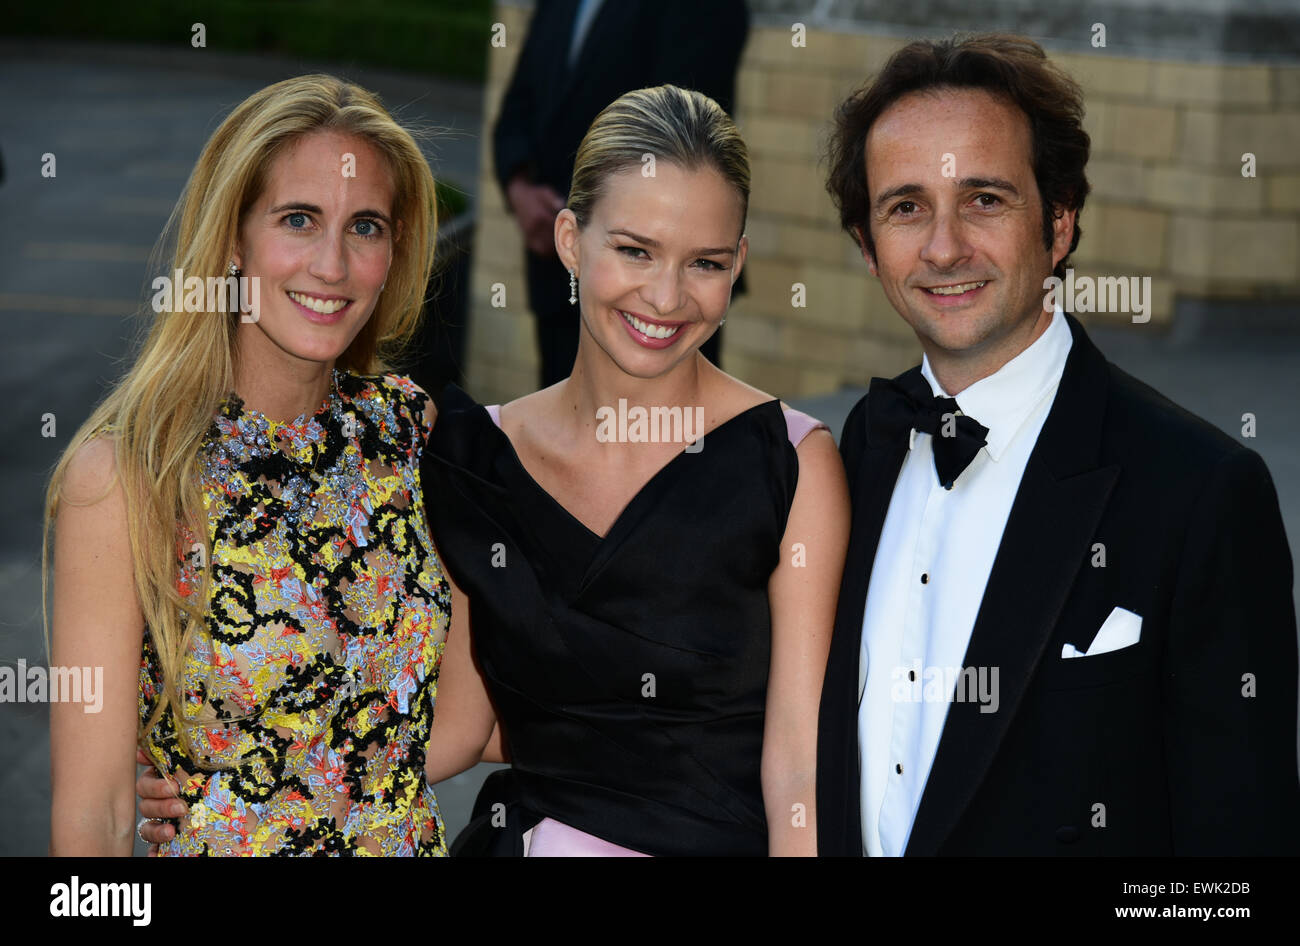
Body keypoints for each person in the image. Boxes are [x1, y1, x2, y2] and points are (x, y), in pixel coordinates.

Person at [816, 33, 1300, 855]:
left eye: (985, 199)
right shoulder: (862, 445)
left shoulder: (1202, 490)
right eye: (906, 206)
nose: (943, 247)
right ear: (867, 246)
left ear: (1061, 223)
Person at [423, 84, 848, 856]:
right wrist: (222, 763)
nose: (665, 296)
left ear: (739, 265)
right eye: (634, 249)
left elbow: (798, 769)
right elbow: (462, 729)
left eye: (705, 263)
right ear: (566, 240)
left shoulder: (791, 465)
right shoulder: (475, 459)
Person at [47, 74, 450, 855]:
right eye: (298, 219)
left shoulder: (410, 433)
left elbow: (450, 714)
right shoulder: (130, 475)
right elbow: (90, 818)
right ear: (233, 237)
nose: (332, 264)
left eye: (365, 226)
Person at [494, 0, 750, 386]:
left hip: (651, 287)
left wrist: (591, 218)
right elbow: (520, 105)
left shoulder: (705, 10)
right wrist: (520, 189)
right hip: (558, 278)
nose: (665, 298)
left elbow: (689, 140)